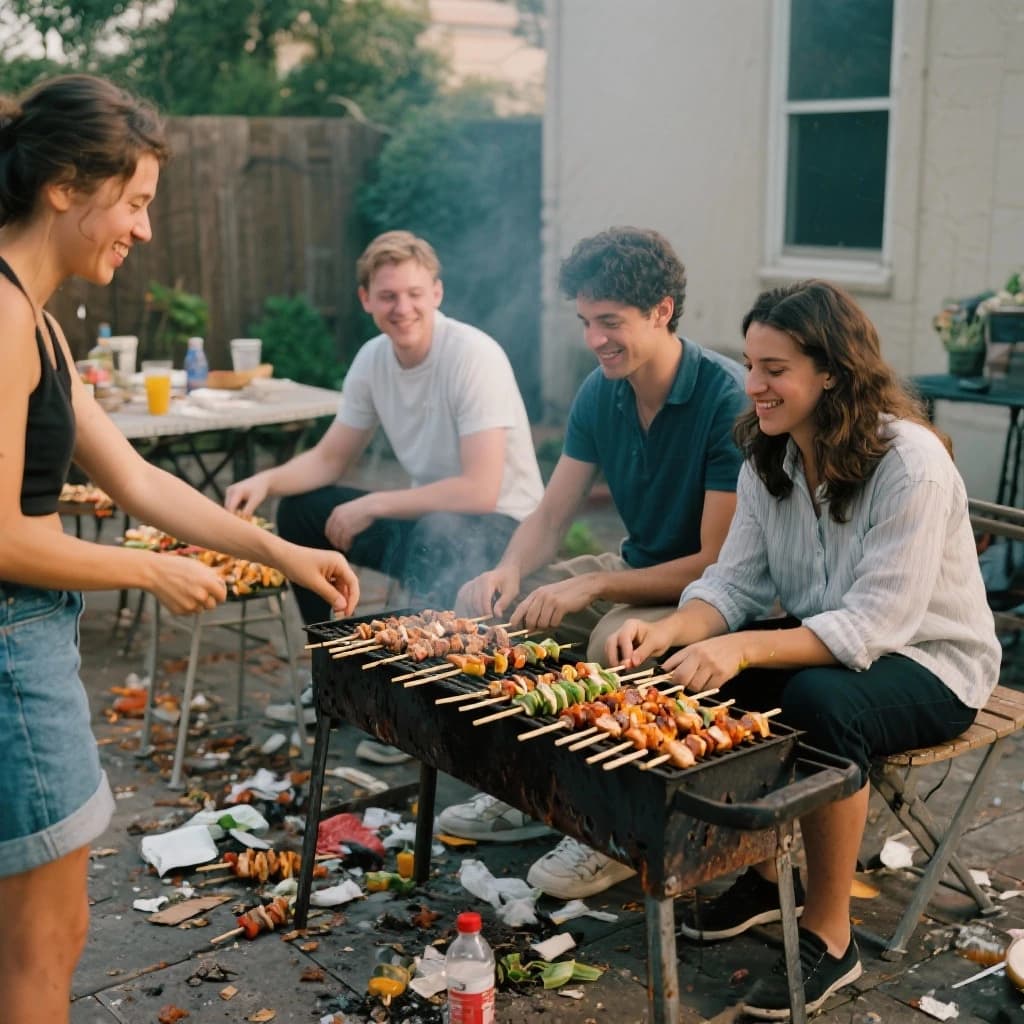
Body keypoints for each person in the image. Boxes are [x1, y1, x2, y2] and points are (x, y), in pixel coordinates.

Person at [0, 75, 360, 1024]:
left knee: (38, 935)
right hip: (10, 659)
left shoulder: (36, 321)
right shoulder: (2, 317)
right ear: (66, 186)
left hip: (25, 648)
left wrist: (280, 552)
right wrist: (147, 568)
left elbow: (141, 481)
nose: (146, 230)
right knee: (43, 942)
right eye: (136, 202)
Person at [608, 280, 1001, 1019]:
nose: (753, 385)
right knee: (699, 678)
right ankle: (768, 877)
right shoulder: (770, 455)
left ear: (831, 372)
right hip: (830, 641)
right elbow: (734, 583)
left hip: (934, 662)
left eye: (775, 369)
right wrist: (671, 631)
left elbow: (877, 623)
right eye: (750, 365)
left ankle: (831, 934)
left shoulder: (908, 463)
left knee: (818, 702)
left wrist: (744, 649)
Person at [445, 226, 748, 898]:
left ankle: (611, 831)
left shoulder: (724, 400)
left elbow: (715, 564)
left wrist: (596, 582)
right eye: (585, 322)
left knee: (613, 639)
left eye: (609, 322)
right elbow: (552, 516)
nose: (594, 339)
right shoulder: (599, 391)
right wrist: (509, 570)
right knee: (513, 612)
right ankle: (525, 788)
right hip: (639, 569)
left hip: (710, 594)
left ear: (662, 310)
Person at [226, 229, 543, 762]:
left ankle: (414, 709)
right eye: (388, 296)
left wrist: (373, 503)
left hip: (505, 530)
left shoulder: (472, 355)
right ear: (366, 300)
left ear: (436, 293)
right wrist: (266, 481)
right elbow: (329, 459)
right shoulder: (373, 360)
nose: (403, 308)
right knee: (302, 512)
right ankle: (332, 678)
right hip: (430, 519)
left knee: (435, 531)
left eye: (415, 293)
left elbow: (481, 488)